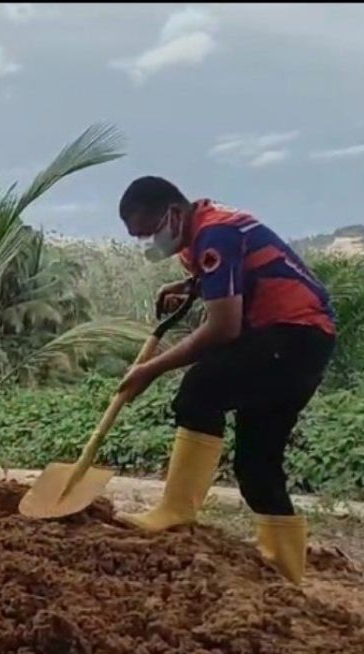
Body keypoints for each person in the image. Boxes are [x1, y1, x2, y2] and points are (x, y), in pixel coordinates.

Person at [115, 176, 335, 585]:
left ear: (173, 213)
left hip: (293, 335)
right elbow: (237, 278)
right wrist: (190, 286)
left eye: (148, 231)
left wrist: (150, 369)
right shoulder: (200, 235)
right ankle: (288, 573)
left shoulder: (216, 233)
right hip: (302, 342)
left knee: (201, 389)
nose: (148, 243)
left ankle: (176, 509)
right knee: (256, 465)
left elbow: (223, 328)